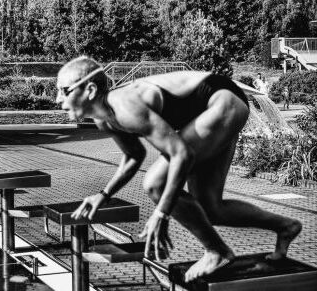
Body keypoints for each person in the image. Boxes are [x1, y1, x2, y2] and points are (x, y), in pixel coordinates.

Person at [57, 56, 302, 282]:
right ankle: (285, 226)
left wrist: (161, 213)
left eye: (64, 91)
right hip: (214, 108)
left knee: (155, 183)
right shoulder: (105, 119)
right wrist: (103, 194)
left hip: (221, 100)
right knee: (210, 208)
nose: (58, 100)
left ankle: (216, 251)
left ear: (89, 90)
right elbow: (134, 156)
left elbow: (181, 155)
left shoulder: (126, 106)